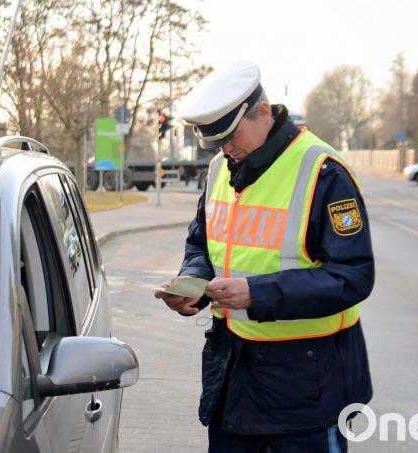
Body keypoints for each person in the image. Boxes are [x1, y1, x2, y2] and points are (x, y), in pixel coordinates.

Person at [154, 61, 375, 452]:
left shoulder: (324, 172)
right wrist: (194, 284)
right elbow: (202, 244)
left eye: (231, 136)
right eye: (215, 142)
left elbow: (353, 276)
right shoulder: (219, 167)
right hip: (233, 377)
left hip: (307, 387)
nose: (224, 149)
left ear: (262, 112)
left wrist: (256, 293)